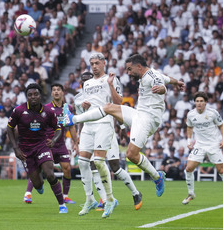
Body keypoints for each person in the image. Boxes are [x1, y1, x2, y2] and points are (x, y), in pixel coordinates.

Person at [63, 54, 185, 199]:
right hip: (139, 114)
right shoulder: (153, 73)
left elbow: (161, 85)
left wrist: (162, 89)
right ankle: (74, 119)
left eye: (129, 69)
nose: (128, 73)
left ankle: (156, 177)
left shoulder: (152, 77)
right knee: (109, 107)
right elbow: (166, 78)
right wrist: (176, 82)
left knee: (131, 155)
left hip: (148, 120)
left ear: (138, 66)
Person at [75, 72, 143, 211]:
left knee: (115, 167)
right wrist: (78, 136)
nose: (88, 84)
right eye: (84, 82)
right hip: (89, 132)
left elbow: (114, 109)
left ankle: (136, 193)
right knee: (93, 165)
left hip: (106, 130)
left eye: (89, 80)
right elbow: (81, 118)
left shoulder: (103, 92)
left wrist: (122, 126)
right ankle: (105, 200)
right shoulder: (78, 99)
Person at [67, 52, 123, 218]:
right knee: (83, 163)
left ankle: (109, 199)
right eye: (92, 63)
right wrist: (84, 106)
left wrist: (111, 85)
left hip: (104, 124)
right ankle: (89, 199)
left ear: (104, 63)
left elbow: (119, 102)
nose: (94, 66)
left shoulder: (111, 79)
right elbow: (87, 106)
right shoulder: (88, 84)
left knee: (98, 162)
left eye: (97, 63)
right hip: (88, 126)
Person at [6, 83, 68, 214]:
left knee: (50, 174)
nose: (33, 97)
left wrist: (54, 140)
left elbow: (58, 129)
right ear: (26, 97)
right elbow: (9, 128)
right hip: (25, 151)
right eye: (30, 95)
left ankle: (62, 205)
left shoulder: (48, 112)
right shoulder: (19, 111)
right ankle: (38, 185)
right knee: (37, 184)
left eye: (36, 94)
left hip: (42, 146)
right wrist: (16, 148)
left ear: (40, 95)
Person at [23, 83, 78, 205]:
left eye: (59, 89)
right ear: (52, 93)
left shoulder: (68, 108)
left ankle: (65, 196)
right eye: (54, 90)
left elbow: (71, 126)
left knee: (67, 168)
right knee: (38, 168)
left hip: (61, 143)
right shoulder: (46, 108)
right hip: (46, 143)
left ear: (63, 92)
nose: (56, 92)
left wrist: (76, 143)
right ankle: (28, 194)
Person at [182, 92, 223, 206]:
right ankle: (191, 194)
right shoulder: (191, 114)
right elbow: (189, 127)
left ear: (205, 102)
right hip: (199, 145)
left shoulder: (212, 113)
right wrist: (189, 141)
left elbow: (221, 125)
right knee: (189, 168)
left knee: (221, 170)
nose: (199, 103)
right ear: (194, 102)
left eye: (201, 101)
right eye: (197, 101)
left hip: (213, 144)